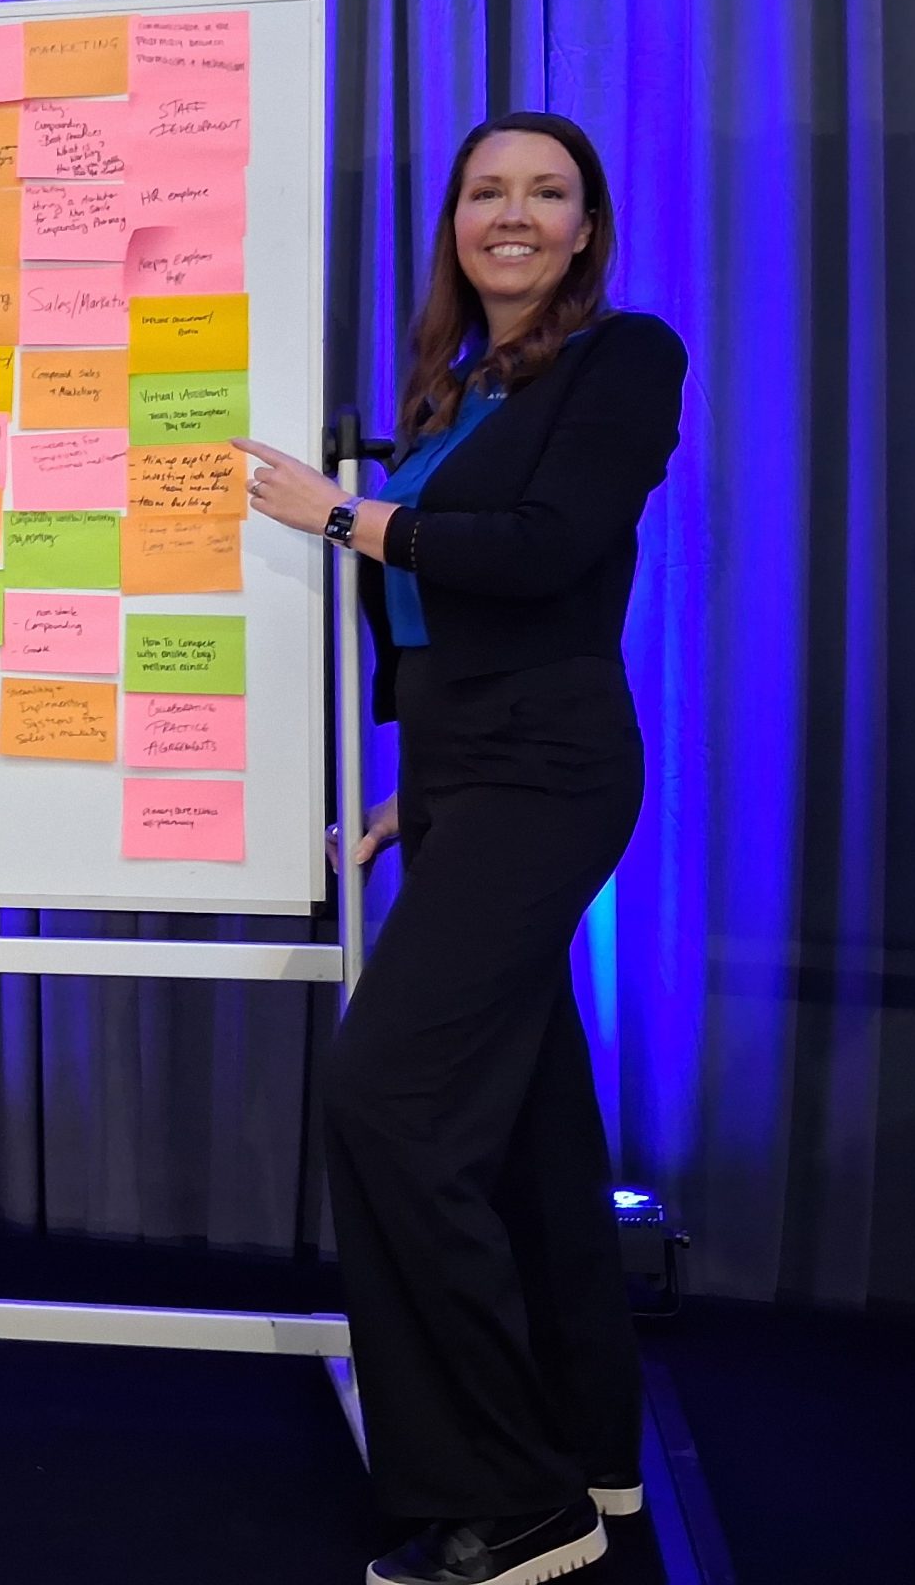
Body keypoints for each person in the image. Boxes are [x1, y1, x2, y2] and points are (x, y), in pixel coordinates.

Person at [234, 111, 687, 1585]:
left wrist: (346, 518)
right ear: (455, 224)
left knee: (391, 1098)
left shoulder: (626, 359)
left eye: (547, 193)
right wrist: (404, 794)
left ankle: (515, 1497)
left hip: (550, 771)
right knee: (536, 1132)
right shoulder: (455, 391)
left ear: (586, 227)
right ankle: (592, 1456)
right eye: (487, 191)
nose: (514, 214)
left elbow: (546, 548)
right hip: (458, 776)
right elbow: (439, 627)